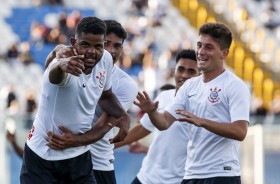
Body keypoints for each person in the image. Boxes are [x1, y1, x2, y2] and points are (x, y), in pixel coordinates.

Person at [134, 22, 251, 184]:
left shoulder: (235, 85)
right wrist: (151, 112)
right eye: (199, 45)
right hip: (191, 174)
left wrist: (202, 121)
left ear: (224, 53)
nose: (201, 52)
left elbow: (240, 131)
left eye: (209, 47)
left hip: (221, 174)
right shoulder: (190, 86)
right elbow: (164, 122)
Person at [20, 16, 131, 184]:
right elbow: (55, 75)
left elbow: (106, 96)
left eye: (98, 46)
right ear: (74, 42)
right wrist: (61, 65)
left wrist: (123, 116)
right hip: (43, 157)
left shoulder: (106, 60)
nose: (91, 52)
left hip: (78, 157)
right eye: (85, 44)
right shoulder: (65, 64)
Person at [115, 49, 199, 184]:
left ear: (200, 75)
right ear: (174, 71)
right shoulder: (164, 96)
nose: (184, 75)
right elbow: (143, 128)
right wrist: (109, 146)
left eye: (191, 72)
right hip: (145, 177)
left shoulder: (203, 108)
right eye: (181, 69)